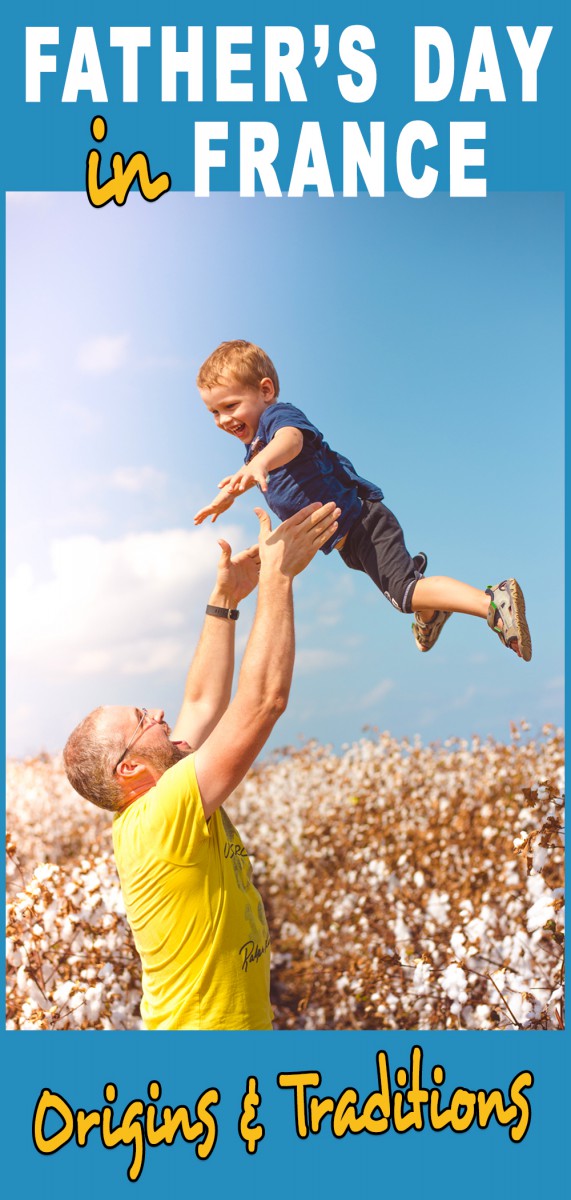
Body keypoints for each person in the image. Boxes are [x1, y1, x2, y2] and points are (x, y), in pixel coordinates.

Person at [63, 501, 340, 1031]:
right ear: (128, 770)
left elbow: (203, 700)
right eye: (144, 717)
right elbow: (262, 702)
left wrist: (225, 600)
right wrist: (279, 578)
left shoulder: (155, 794)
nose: (160, 712)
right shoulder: (163, 816)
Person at [194, 340, 532, 662]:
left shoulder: (277, 420)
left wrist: (260, 464)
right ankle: (432, 615)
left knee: (404, 593)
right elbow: (251, 472)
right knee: (405, 593)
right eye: (213, 412)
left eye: (230, 406)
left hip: (364, 523)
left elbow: (292, 442)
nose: (223, 419)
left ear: (265, 391)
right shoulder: (255, 449)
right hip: (348, 541)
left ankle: (492, 602)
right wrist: (225, 497)